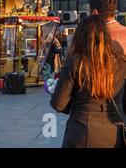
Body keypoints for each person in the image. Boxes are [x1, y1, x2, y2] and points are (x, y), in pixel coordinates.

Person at [51, 15, 126, 148]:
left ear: (80, 36)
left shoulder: (76, 62)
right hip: (115, 133)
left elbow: (59, 104)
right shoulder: (121, 62)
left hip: (82, 131)